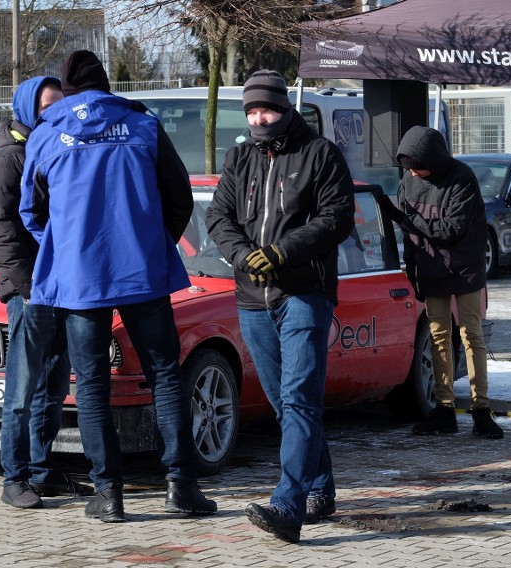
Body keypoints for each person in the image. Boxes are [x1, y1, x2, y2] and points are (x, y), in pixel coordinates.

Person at [19, 50, 217, 522]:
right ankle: (181, 488)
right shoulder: (142, 123)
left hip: (80, 281)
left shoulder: (46, 134)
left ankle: (109, 496)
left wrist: (66, 249)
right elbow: (179, 195)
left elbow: (31, 211)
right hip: (142, 274)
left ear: (66, 90)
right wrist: (151, 242)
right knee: (166, 376)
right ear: (107, 84)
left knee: (91, 385)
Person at [205, 69, 355, 544]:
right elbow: (218, 214)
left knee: (299, 400)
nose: (259, 118)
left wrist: (282, 252)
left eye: (266, 109)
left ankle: (288, 506)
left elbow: (337, 218)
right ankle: (320, 486)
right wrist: (241, 253)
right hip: (252, 299)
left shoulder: (320, 154)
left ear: (285, 108)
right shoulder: (239, 156)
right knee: (287, 404)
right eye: (251, 111)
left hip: (304, 294)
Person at [0, 76, 93, 509]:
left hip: (60, 289)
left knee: (51, 386)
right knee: (21, 390)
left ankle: (43, 470)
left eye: (60, 105)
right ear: (29, 109)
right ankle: (14, 478)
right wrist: (29, 288)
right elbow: (2, 232)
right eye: (47, 107)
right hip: (31, 292)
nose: (54, 114)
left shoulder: (50, 147)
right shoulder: (7, 160)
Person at [378, 125, 503, 439]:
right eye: (409, 168)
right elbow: (411, 235)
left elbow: (449, 229)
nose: (414, 173)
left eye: (418, 166)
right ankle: (444, 409)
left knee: (471, 335)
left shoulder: (462, 178)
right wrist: (411, 269)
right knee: (437, 338)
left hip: (465, 269)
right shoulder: (410, 180)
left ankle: (481, 409)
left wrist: (404, 218)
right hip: (430, 269)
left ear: (433, 159)